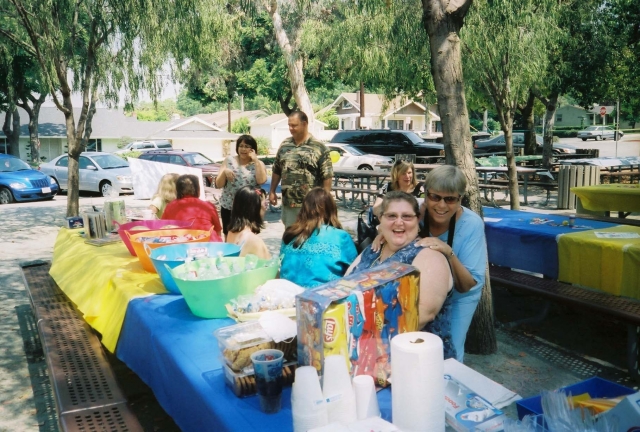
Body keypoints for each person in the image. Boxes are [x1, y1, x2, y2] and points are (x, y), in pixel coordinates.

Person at [346, 191, 455, 359]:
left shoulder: (430, 256)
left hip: (415, 361)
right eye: (391, 216)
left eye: (407, 216)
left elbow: (420, 317)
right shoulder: (373, 250)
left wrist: (349, 326)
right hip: (361, 349)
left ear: (418, 220)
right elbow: (343, 286)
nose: (399, 222)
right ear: (380, 220)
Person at [414, 165, 487, 363]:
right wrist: (381, 235)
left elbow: (467, 284)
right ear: (426, 194)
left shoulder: (472, 224)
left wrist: (448, 252)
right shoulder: (415, 212)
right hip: (424, 288)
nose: (441, 205)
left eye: (450, 199)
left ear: (460, 199)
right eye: (435, 197)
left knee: (449, 350)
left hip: (460, 295)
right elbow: (382, 211)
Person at [280, 187, 357, 288]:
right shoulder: (341, 237)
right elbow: (356, 270)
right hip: (323, 297)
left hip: (288, 294)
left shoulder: (290, 233)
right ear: (331, 209)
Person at [269, 111, 334, 228]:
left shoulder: (319, 147)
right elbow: (277, 169)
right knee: (291, 237)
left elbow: (327, 176)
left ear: (304, 124)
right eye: (289, 125)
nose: (290, 128)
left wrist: (324, 201)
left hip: (311, 204)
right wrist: (272, 191)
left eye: (294, 125)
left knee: (311, 237)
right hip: (289, 203)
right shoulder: (285, 144)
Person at [215, 135, 267, 237]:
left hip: (249, 206)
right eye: (241, 146)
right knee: (229, 234)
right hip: (229, 206)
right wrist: (224, 172)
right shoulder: (229, 160)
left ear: (253, 149)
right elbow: (218, 184)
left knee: (248, 235)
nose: (243, 149)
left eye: (247, 146)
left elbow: (261, 181)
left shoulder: (258, 163)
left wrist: (256, 161)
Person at [162, 174, 223, 240]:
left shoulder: (171, 206)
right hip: (209, 242)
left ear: (177, 190)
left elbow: (163, 228)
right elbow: (218, 231)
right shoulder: (208, 206)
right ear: (198, 190)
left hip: (182, 243)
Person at [225, 187, 271, 259]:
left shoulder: (231, 232)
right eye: (265, 204)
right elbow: (269, 267)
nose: (265, 208)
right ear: (255, 208)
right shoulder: (254, 240)